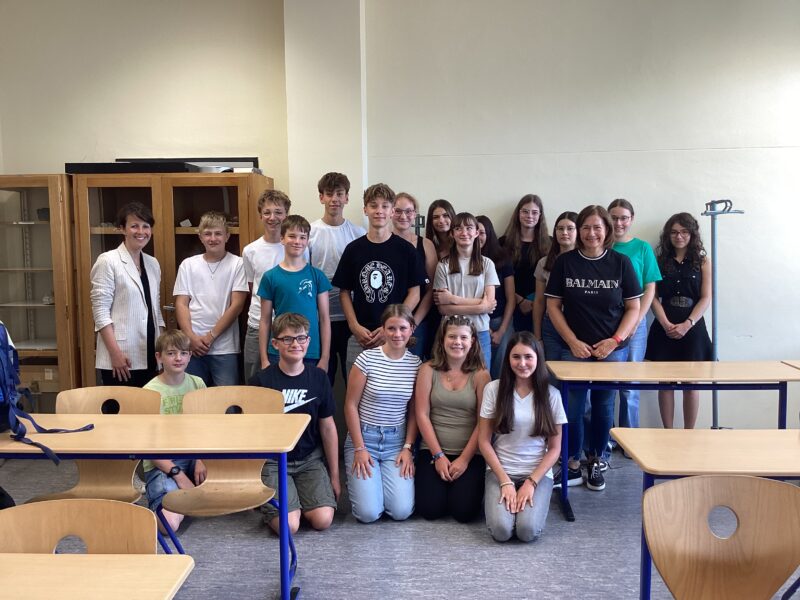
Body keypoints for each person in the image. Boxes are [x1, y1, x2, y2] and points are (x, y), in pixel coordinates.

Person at [545, 205, 641, 491]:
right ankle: (572, 462)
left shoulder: (621, 263)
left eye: (597, 227)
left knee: (602, 406)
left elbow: (633, 308)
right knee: (572, 408)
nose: (591, 233)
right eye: (585, 227)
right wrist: (572, 341)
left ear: (607, 230)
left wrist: (615, 341)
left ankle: (598, 459)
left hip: (611, 350)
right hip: (574, 349)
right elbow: (553, 306)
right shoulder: (565, 262)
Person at [249, 313, 340, 533]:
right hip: (274, 461)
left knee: (323, 520)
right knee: (289, 526)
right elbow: (250, 431)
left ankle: (298, 503)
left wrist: (335, 476)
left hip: (309, 459)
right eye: (287, 339)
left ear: (308, 341)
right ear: (275, 343)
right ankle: (288, 509)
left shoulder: (319, 378)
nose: (295, 344)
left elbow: (328, 428)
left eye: (301, 338)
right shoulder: (261, 381)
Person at [478, 332, 566, 542]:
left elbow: (555, 448)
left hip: (537, 474)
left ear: (538, 359)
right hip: (500, 471)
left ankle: (524, 509)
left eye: (528, 357)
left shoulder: (552, 395)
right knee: (501, 531)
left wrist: (531, 483)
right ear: (508, 359)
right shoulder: (493, 389)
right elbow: (483, 441)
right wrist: (505, 481)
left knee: (527, 531)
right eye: (516, 357)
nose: (522, 363)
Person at [332, 183, 425, 376]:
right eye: (373, 205)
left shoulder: (406, 250)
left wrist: (392, 326)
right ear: (365, 209)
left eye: (385, 206)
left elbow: (415, 293)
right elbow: (344, 292)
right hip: (360, 336)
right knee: (355, 390)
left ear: (392, 211)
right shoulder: (353, 249)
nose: (379, 211)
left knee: (393, 389)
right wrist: (354, 326)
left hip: (395, 336)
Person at [344, 304, 420, 523]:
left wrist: (408, 447)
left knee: (401, 511)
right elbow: (350, 405)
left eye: (403, 328)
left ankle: (381, 487)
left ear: (411, 329)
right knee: (368, 514)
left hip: (396, 443)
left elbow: (414, 412)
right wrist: (359, 448)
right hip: (364, 438)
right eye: (391, 328)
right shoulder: (366, 359)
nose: (397, 334)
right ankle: (367, 488)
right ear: (383, 330)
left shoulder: (416, 365)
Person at [415, 316, 490, 522]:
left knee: (464, 512)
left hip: (470, 453)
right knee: (430, 510)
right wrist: (438, 456)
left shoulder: (481, 375)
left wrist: (464, 459)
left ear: (472, 341)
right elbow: (422, 415)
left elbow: (483, 422)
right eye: (452, 337)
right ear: (442, 339)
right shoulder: (427, 370)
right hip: (433, 450)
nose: (457, 342)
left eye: (463, 337)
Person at [646, 213, 712, 429]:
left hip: (693, 326)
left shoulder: (702, 262)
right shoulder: (659, 262)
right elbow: (652, 297)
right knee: (665, 382)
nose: (679, 236)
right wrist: (665, 323)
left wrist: (688, 324)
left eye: (684, 232)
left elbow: (706, 297)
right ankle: (668, 432)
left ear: (692, 234)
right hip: (664, 325)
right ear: (668, 235)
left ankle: (689, 433)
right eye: (674, 232)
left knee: (691, 383)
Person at [90, 202, 164, 387]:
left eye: (146, 226)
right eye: (134, 226)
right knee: (121, 404)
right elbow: (100, 313)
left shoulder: (152, 263)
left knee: (149, 403)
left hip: (150, 351)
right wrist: (115, 353)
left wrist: (162, 351)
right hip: (121, 355)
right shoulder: (108, 261)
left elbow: (155, 310)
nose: (141, 231)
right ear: (122, 229)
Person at [174, 211, 248, 387]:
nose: (213, 238)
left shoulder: (237, 264)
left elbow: (237, 306)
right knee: (193, 398)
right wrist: (190, 337)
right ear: (200, 237)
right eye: (207, 234)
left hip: (225, 348)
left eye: (218, 233)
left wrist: (210, 337)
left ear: (227, 236)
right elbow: (181, 304)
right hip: (192, 347)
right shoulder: (188, 264)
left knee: (227, 400)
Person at [143, 330, 207, 532]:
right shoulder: (149, 393)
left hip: (194, 455)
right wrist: (179, 476)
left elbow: (207, 429)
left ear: (190, 355)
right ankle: (187, 498)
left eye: (183, 353)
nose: (178, 358)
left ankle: (188, 499)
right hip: (164, 462)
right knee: (168, 524)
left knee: (230, 492)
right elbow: (148, 447)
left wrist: (201, 459)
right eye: (171, 353)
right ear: (159, 357)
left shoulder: (197, 384)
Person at [607, 199, 662, 431]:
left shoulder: (642, 248)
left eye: (624, 218)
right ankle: (605, 439)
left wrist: (638, 318)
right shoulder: (600, 246)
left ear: (631, 219)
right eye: (614, 218)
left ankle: (629, 439)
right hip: (606, 323)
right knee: (605, 386)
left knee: (630, 385)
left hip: (635, 324)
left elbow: (650, 286)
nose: (618, 223)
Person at [309, 172, 366, 386]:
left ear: (347, 198)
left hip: (351, 318)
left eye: (339, 194)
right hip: (319, 317)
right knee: (323, 377)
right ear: (321, 197)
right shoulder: (310, 233)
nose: (334, 199)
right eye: (329, 194)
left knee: (353, 378)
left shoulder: (358, 233)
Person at [257, 215, 331, 373]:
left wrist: (325, 357)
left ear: (307, 241)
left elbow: (325, 319)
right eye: (292, 236)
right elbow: (265, 320)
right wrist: (264, 358)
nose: (297, 241)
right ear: (282, 239)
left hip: (310, 351)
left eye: (302, 237)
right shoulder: (270, 277)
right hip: (279, 350)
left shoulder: (317, 276)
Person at [242, 190, 301, 383]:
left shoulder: (299, 247)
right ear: (260, 215)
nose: (272, 217)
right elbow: (252, 286)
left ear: (286, 215)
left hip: (290, 327)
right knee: (254, 378)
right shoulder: (250, 250)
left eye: (278, 212)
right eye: (267, 212)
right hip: (257, 324)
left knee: (288, 381)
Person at [434, 212, 499, 368]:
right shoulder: (443, 265)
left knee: (482, 376)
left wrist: (453, 299)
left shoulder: (487, 264)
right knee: (451, 376)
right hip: (451, 332)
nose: (464, 233)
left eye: (469, 228)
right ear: (452, 233)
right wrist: (480, 306)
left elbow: (489, 304)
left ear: (476, 232)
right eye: (458, 228)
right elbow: (443, 309)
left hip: (480, 331)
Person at [392, 192, 436, 359]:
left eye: (409, 211)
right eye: (398, 211)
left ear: (415, 214)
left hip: (418, 321)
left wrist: (413, 323)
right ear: (391, 212)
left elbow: (431, 289)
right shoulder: (382, 243)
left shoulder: (426, 245)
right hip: (387, 322)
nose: (403, 216)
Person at [500, 194, 551, 333]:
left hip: (540, 306)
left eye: (534, 212)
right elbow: (497, 278)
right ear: (518, 214)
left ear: (540, 215)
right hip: (510, 306)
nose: (530, 216)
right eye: (525, 211)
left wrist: (535, 302)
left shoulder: (550, 243)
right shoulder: (503, 243)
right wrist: (520, 301)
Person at [533, 211, 578, 361]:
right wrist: (537, 336)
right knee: (550, 368)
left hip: (577, 324)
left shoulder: (586, 262)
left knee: (572, 370)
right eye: (560, 228)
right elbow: (539, 301)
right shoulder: (544, 263)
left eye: (570, 228)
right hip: (550, 325)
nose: (564, 232)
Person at [476, 215, 515, 379]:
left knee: (500, 371)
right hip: (476, 322)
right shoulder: (464, 260)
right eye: (474, 231)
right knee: (480, 371)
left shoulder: (502, 258)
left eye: (482, 232)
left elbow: (511, 298)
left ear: (489, 234)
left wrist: (501, 331)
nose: (477, 236)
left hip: (500, 321)